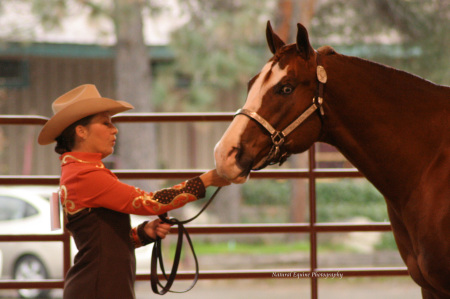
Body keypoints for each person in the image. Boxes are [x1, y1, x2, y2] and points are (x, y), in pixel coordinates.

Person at [37, 84, 230, 299]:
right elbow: (151, 202)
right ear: (81, 131)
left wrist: (143, 233)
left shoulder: (80, 171)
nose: (114, 129)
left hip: (99, 286)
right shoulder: (85, 175)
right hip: (99, 289)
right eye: (105, 123)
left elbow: (102, 239)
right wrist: (207, 180)